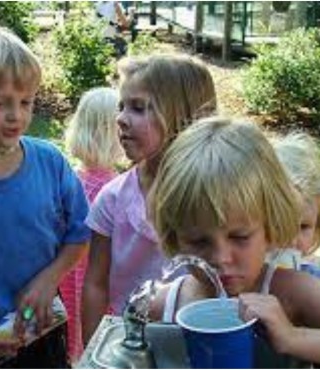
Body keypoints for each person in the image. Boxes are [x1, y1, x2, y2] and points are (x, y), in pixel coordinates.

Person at [0, 25, 91, 368]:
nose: (17, 115)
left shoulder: (50, 161)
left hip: (44, 325)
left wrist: (49, 279)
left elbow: (79, 233)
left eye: (26, 102)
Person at [148, 117, 320, 365]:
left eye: (240, 237)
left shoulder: (296, 295)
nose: (220, 258)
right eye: (198, 241)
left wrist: (293, 337)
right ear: (174, 236)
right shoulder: (163, 305)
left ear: (270, 227)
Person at [82, 53, 217, 344]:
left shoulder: (214, 197)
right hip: (132, 343)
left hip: (201, 340)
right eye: (121, 107)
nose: (120, 118)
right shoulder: (113, 199)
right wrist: (92, 351)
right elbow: (95, 283)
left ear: (186, 116)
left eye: (138, 108)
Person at [60, 86, 124, 362]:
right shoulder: (116, 190)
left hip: (69, 275)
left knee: (73, 332)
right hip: (99, 279)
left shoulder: (69, 179)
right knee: (100, 342)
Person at [267, 132, 320, 275]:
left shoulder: (314, 280)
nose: (291, 240)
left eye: (303, 227)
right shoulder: (236, 281)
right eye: (279, 225)